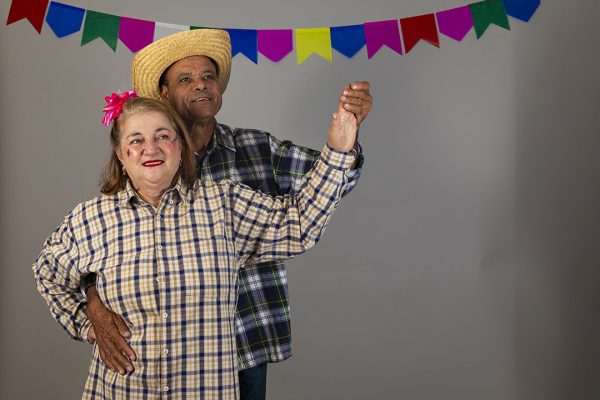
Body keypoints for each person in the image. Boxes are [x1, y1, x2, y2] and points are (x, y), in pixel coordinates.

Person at [83, 29, 373, 399]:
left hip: (245, 335)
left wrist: (343, 143)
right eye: (185, 79)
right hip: (171, 344)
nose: (201, 85)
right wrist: (93, 301)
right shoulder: (148, 161)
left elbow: (328, 187)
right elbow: (103, 242)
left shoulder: (258, 148)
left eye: (208, 76)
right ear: (164, 94)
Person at [33, 93, 359, 399]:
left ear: (180, 145)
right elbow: (48, 271)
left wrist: (338, 150)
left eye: (163, 136)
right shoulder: (90, 218)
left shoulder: (223, 203)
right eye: (136, 140)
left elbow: (297, 224)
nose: (151, 148)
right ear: (121, 155)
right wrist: (86, 322)